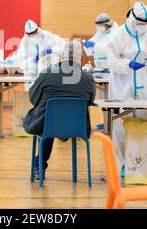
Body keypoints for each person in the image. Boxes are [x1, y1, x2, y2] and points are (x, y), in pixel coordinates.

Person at [105, 1, 147, 180]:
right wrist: (128, 64)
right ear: (133, 20)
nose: (143, 27)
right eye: (140, 23)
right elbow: (112, 63)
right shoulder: (118, 35)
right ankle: (124, 164)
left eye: (145, 24)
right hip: (122, 86)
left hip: (143, 85)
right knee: (120, 127)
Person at [23, 41, 96, 180]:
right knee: (53, 120)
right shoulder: (88, 79)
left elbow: (33, 97)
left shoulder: (47, 74)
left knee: (47, 120)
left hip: (46, 124)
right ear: (80, 58)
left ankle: (39, 165)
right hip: (77, 127)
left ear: (61, 57)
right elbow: (91, 101)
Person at [16, 20, 65, 88]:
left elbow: (62, 44)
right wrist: (32, 60)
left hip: (48, 70)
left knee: (47, 91)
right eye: (31, 34)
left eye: (34, 32)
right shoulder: (25, 41)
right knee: (31, 93)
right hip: (31, 73)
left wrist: (53, 50)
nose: (33, 35)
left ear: (38, 30)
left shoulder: (47, 35)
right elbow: (20, 60)